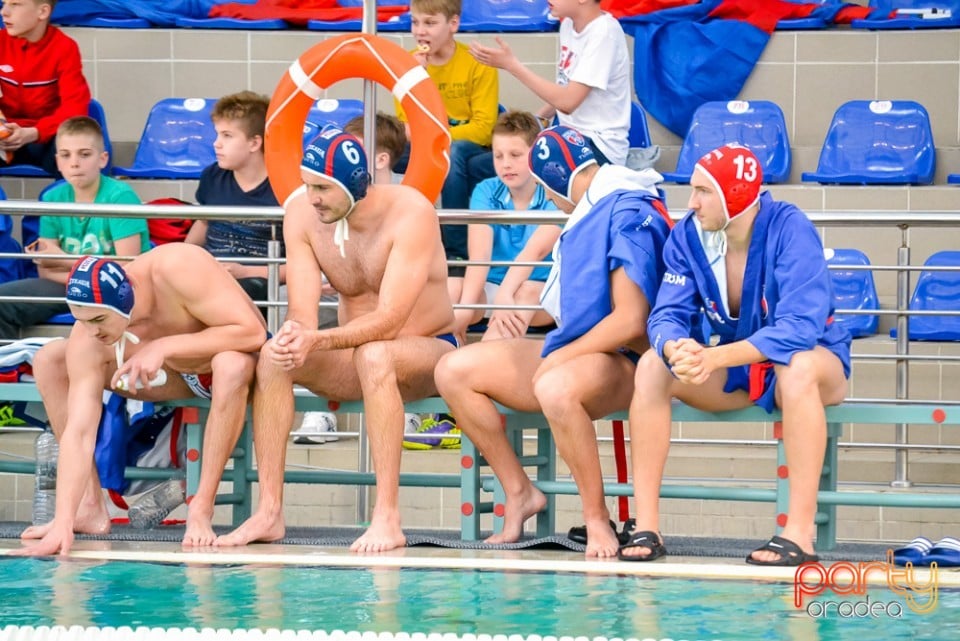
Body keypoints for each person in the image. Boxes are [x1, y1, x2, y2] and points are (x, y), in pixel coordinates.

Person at [214, 126, 457, 553]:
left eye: (322, 188)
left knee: (377, 355)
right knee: (274, 355)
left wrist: (319, 342)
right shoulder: (304, 217)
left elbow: (390, 319)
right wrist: (295, 334)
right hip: (353, 354)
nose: (312, 198)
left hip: (426, 352)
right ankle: (269, 511)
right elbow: (304, 312)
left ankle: (387, 516)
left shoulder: (410, 213)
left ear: (355, 183)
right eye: (308, 185)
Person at [434, 125, 672, 557]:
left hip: (631, 362)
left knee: (554, 386)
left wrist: (562, 354)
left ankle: (597, 519)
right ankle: (519, 491)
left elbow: (632, 322)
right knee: (453, 369)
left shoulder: (625, 212)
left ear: (554, 182)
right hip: (585, 349)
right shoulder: (592, 205)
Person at [620, 144, 851, 565]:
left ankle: (798, 533)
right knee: (654, 365)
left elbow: (800, 329)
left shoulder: (790, 228)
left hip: (816, 362)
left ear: (736, 195)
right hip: (741, 366)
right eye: (692, 190)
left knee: (796, 368)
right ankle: (647, 526)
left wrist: (715, 358)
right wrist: (676, 347)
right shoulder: (689, 235)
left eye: (703, 192)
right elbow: (667, 313)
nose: (691, 203)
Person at [12, 244, 268, 556]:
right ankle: (88, 507)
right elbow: (79, 433)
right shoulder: (88, 336)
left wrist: (164, 347)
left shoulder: (178, 268)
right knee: (50, 359)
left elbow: (254, 332)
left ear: (126, 296)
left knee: (232, 365)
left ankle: (201, 509)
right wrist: (61, 523)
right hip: (160, 376)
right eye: (83, 321)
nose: (92, 332)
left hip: (213, 366)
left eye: (99, 320)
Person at [0, 116, 147, 340]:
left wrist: (66, 260)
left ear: (103, 158)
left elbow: (127, 268)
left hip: (117, 290)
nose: (74, 163)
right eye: (66, 155)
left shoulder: (121, 196)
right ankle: (8, 370)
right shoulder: (52, 198)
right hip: (68, 285)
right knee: (3, 299)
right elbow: (46, 269)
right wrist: (77, 278)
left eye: (85, 154)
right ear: (57, 161)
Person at [396, 0, 499, 274]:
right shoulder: (406, 65)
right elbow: (407, 126)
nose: (420, 31)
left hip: (468, 146)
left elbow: (483, 128)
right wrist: (418, 78)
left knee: (451, 155)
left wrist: (436, 136)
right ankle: (400, 242)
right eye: (415, 22)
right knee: (381, 150)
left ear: (453, 24)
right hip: (423, 141)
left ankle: (456, 253)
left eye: (429, 23)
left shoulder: (477, 64)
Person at [468, 0, 630, 166]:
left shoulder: (604, 33)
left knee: (493, 165)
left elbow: (568, 102)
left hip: (599, 149)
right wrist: (537, 119)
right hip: (567, 138)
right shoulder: (568, 25)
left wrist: (512, 66)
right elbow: (564, 88)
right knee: (477, 163)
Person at [450, 110, 559, 344]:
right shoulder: (486, 190)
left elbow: (534, 252)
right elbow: (480, 257)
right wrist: (465, 311)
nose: (506, 164)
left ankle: (482, 364)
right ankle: (440, 354)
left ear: (535, 154)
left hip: (538, 294)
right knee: (451, 289)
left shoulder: (553, 194)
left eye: (515, 155)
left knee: (525, 292)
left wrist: (505, 295)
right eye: (498, 156)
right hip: (493, 287)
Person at [186, 90, 285, 308]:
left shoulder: (285, 186)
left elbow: (302, 266)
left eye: (227, 136)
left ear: (254, 143)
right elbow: (202, 224)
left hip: (260, 285)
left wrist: (246, 271)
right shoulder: (212, 176)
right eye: (217, 134)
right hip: (211, 278)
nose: (216, 144)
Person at [0, 0, 91, 176]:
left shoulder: (64, 48)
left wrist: (35, 133)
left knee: (75, 147)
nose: (4, 12)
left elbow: (75, 109)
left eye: (15, 4)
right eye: (4, 4)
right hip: (4, 137)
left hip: (45, 137)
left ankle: (73, 202)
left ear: (42, 12)